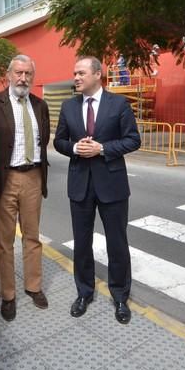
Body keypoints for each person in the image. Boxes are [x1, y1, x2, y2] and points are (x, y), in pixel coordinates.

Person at [53, 56, 140, 325]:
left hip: (112, 184)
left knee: (117, 243)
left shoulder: (119, 104)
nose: (76, 77)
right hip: (80, 184)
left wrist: (102, 148)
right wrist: (76, 148)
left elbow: (133, 139)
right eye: (74, 73)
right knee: (81, 243)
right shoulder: (69, 106)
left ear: (97, 75)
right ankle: (84, 293)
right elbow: (59, 141)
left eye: (81, 73)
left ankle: (120, 296)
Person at [0, 54, 50, 321]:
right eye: (18, 73)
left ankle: (34, 286)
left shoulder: (40, 105)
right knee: (4, 242)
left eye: (28, 73)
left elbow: (44, 140)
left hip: (33, 177)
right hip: (4, 180)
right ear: (8, 74)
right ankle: (8, 295)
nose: (23, 78)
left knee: (33, 236)